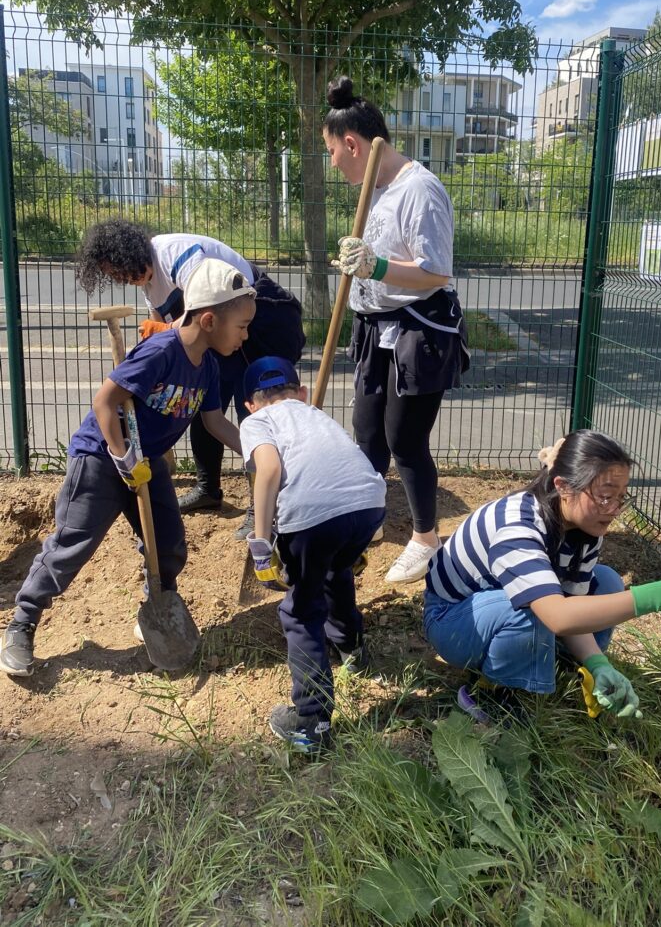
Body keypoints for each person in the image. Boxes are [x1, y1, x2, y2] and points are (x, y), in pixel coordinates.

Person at [0, 260, 257, 677]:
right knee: (72, 546)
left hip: (147, 461)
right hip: (102, 458)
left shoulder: (208, 365)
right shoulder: (161, 352)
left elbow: (214, 422)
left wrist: (256, 449)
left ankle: (157, 606)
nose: (246, 335)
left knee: (169, 542)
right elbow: (105, 402)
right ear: (209, 320)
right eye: (241, 326)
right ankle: (22, 623)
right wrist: (123, 456)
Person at [423, 429, 661, 721]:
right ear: (564, 487)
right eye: (606, 497)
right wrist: (654, 597)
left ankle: (550, 663)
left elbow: (570, 600)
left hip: (500, 608)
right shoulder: (518, 525)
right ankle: (492, 693)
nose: (615, 509)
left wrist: (598, 664)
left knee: (607, 583)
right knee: (533, 609)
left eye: (621, 497)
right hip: (452, 620)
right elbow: (558, 615)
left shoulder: (586, 528)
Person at [75, 219, 305, 538]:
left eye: (121, 268)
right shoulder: (150, 288)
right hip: (217, 329)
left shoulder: (172, 252)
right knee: (203, 403)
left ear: (129, 250)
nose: (123, 278)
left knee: (255, 411)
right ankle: (208, 490)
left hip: (259, 319)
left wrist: (165, 331)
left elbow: (203, 307)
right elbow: (168, 334)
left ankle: (262, 505)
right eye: (115, 276)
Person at [325, 76, 469, 585]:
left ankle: (426, 540)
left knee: (404, 440)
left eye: (333, 153)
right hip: (374, 329)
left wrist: (377, 267)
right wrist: (359, 264)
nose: (334, 164)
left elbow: (435, 273)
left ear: (352, 144)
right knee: (367, 436)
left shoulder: (419, 189)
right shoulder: (376, 189)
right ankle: (366, 521)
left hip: (417, 332)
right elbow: (376, 260)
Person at [240, 355, 386, 753]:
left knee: (301, 610)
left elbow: (267, 470)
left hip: (312, 515)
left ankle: (311, 719)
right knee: (335, 569)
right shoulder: (313, 414)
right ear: (300, 393)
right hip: (369, 504)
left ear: (249, 404)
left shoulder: (255, 422)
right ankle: (352, 648)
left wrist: (260, 542)